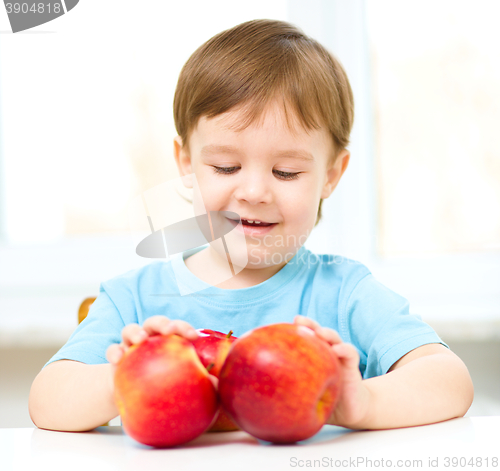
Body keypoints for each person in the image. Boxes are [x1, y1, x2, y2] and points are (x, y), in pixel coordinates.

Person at [29, 19, 473, 433]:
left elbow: (450, 381)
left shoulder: (345, 293)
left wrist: (359, 402)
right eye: (226, 167)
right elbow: (46, 402)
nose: (255, 191)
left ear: (332, 175)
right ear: (187, 163)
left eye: (286, 173)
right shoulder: (136, 299)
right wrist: (124, 379)